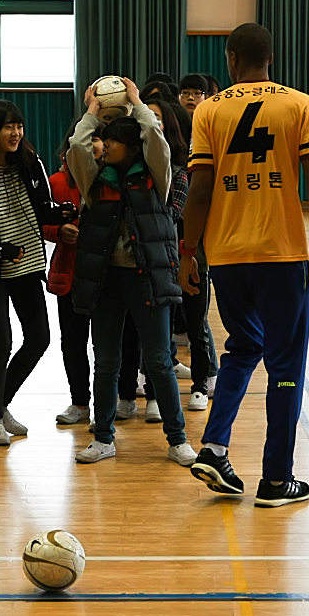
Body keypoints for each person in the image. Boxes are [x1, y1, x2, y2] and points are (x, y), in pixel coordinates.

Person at [179, 23, 309, 507]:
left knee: (243, 346)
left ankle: (213, 448)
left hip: (228, 256)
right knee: (286, 366)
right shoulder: (298, 104)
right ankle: (276, 480)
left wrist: (189, 253)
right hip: (282, 256)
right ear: (270, 58)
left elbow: (201, 190)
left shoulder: (210, 109)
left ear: (231, 58)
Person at [67, 77, 197, 466]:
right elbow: (77, 146)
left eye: (113, 144)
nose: (104, 149)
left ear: (132, 147)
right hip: (109, 280)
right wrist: (92, 111)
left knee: (158, 360)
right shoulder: (95, 180)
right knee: (106, 360)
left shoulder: (157, 177)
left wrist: (137, 104)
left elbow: (157, 138)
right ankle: (103, 438)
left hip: (147, 278)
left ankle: (177, 440)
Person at [0, 100, 76, 446]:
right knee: (1, 342)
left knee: (38, 338)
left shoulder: (30, 163)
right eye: (8, 127)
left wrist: (61, 214)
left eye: (19, 126)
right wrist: (0, 249)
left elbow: (41, 209)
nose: (16, 133)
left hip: (27, 266)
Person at [116, 97, 190, 424]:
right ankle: (126, 396)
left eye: (158, 118)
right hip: (124, 271)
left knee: (158, 349)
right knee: (124, 341)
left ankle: (158, 402)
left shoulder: (167, 171)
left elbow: (171, 214)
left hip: (158, 266)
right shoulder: (114, 174)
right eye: (148, 118)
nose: (152, 124)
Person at [48, 121, 101, 426]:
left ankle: (116, 401)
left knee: (105, 344)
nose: (91, 144)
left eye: (96, 138)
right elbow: (41, 221)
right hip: (68, 274)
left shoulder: (108, 179)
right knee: (72, 341)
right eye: (85, 138)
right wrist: (58, 231)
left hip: (105, 276)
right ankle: (79, 403)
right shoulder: (56, 182)